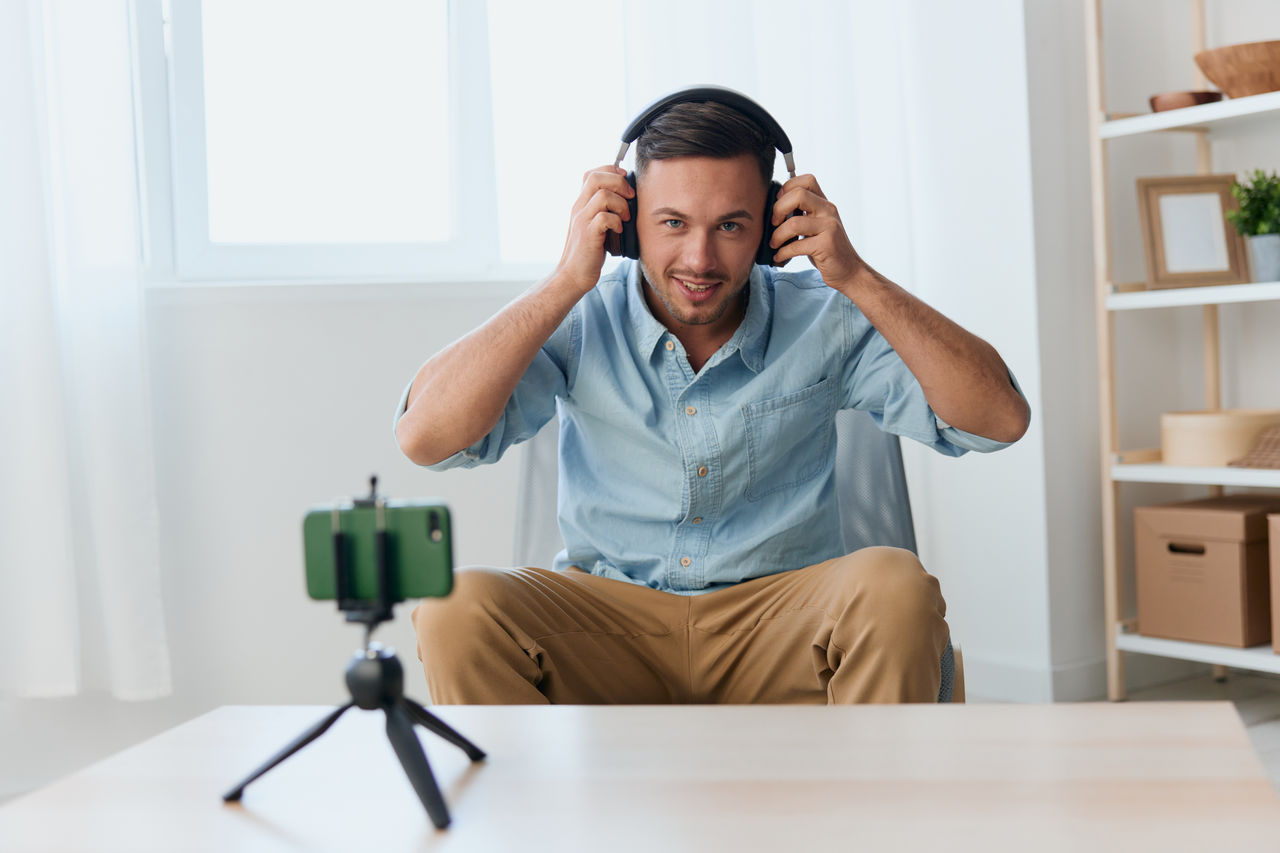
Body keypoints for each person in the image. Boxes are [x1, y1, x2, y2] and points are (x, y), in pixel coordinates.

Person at [394, 88, 1029, 706]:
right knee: (455, 608)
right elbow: (426, 439)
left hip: (782, 627)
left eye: (731, 225)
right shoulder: (582, 315)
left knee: (895, 584)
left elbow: (999, 420)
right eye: (672, 223)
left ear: (773, 226)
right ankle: (545, 814)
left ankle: (858, 809)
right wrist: (565, 280)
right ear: (627, 224)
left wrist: (855, 276)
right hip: (608, 628)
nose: (699, 259)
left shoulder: (825, 317)